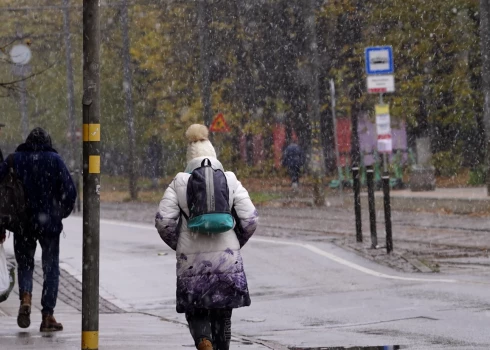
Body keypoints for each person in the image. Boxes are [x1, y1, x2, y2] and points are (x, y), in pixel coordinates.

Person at [155, 124, 258, 350]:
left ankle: (203, 340)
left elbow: (163, 221)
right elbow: (250, 219)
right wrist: (235, 242)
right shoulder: (230, 179)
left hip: (191, 262)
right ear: (214, 155)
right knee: (223, 314)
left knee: (196, 309)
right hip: (227, 260)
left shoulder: (179, 182)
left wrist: (179, 243)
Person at [0, 127, 77, 332]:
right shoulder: (55, 160)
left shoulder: (14, 159)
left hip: (22, 222)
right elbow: (70, 191)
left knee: (25, 265)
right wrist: (60, 212)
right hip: (49, 224)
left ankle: (25, 297)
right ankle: (47, 315)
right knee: (50, 267)